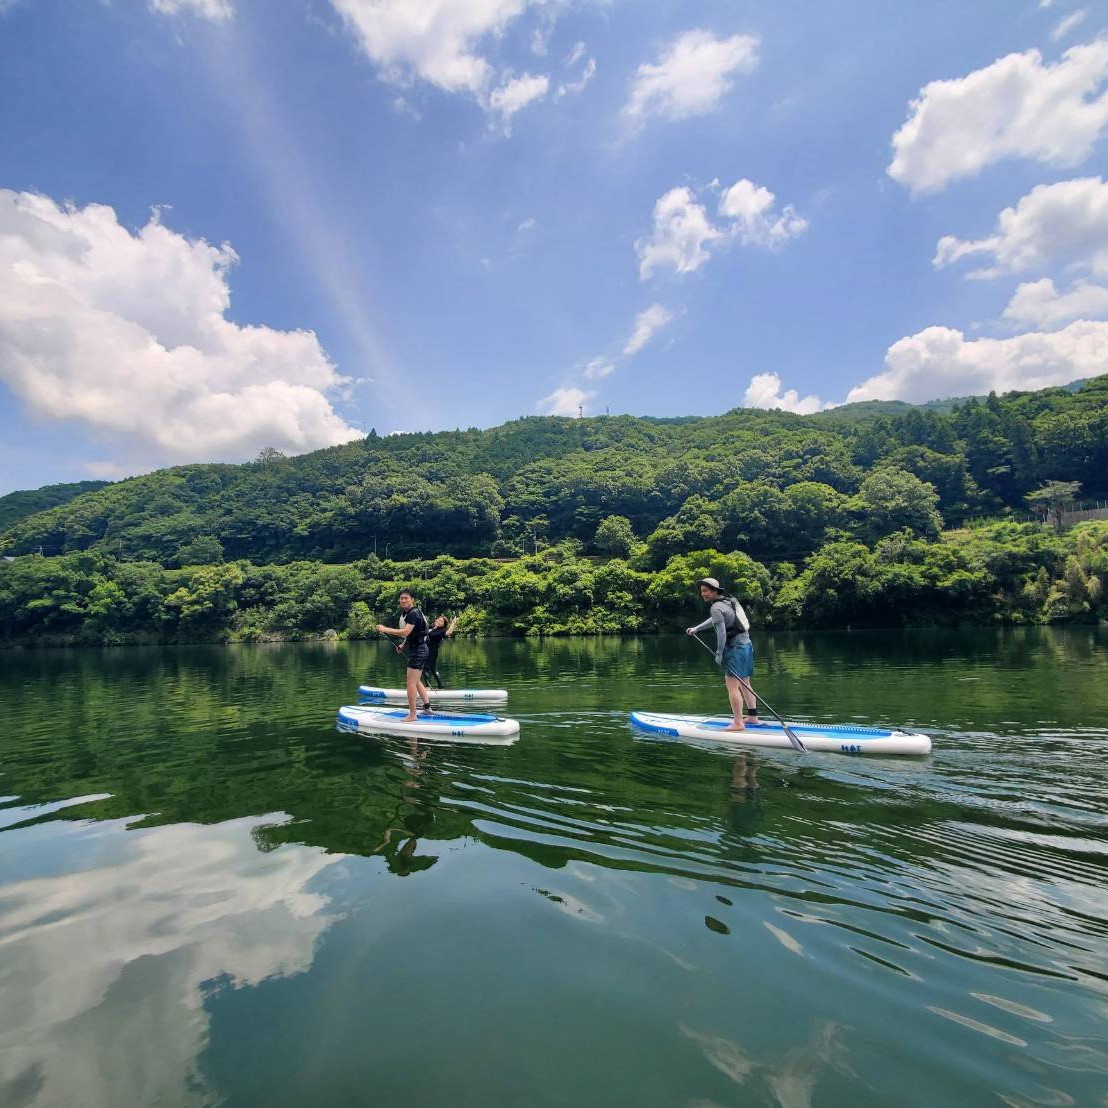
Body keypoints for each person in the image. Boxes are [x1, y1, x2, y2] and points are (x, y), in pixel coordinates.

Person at [686, 577, 760, 732]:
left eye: (705, 591)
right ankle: (753, 717)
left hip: (735, 650)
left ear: (714, 591)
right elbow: (716, 619)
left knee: (732, 686)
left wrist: (719, 654)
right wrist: (697, 628)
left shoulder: (716, 607)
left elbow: (722, 633)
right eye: (701, 591)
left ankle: (738, 723)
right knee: (745, 683)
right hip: (747, 646)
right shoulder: (729, 600)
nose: (703, 594)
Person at [375, 589, 432, 721]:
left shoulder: (413, 613)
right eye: (401, 598)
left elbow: (406, 632)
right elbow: (413, 633)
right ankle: (427, 708)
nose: (404, 600)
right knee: (416, 681)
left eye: (406, 598)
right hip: (419, 649)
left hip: (419, 651)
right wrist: (403, 644)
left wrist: (385, 629)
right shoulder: (410, 613)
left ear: (412, 599)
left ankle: (412, 715)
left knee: (410, 683)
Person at [424, 614, 459, 689]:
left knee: (425, 668)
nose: (439, 621)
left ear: (443, 625)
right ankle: (440, 687)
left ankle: (427, 687)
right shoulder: (432, 628)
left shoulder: (441, 631)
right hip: (427, 651)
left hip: (431, 652)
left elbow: (448, 632)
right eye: (438, 620)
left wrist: (453, 623)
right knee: (433, 669)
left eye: (441, 621)